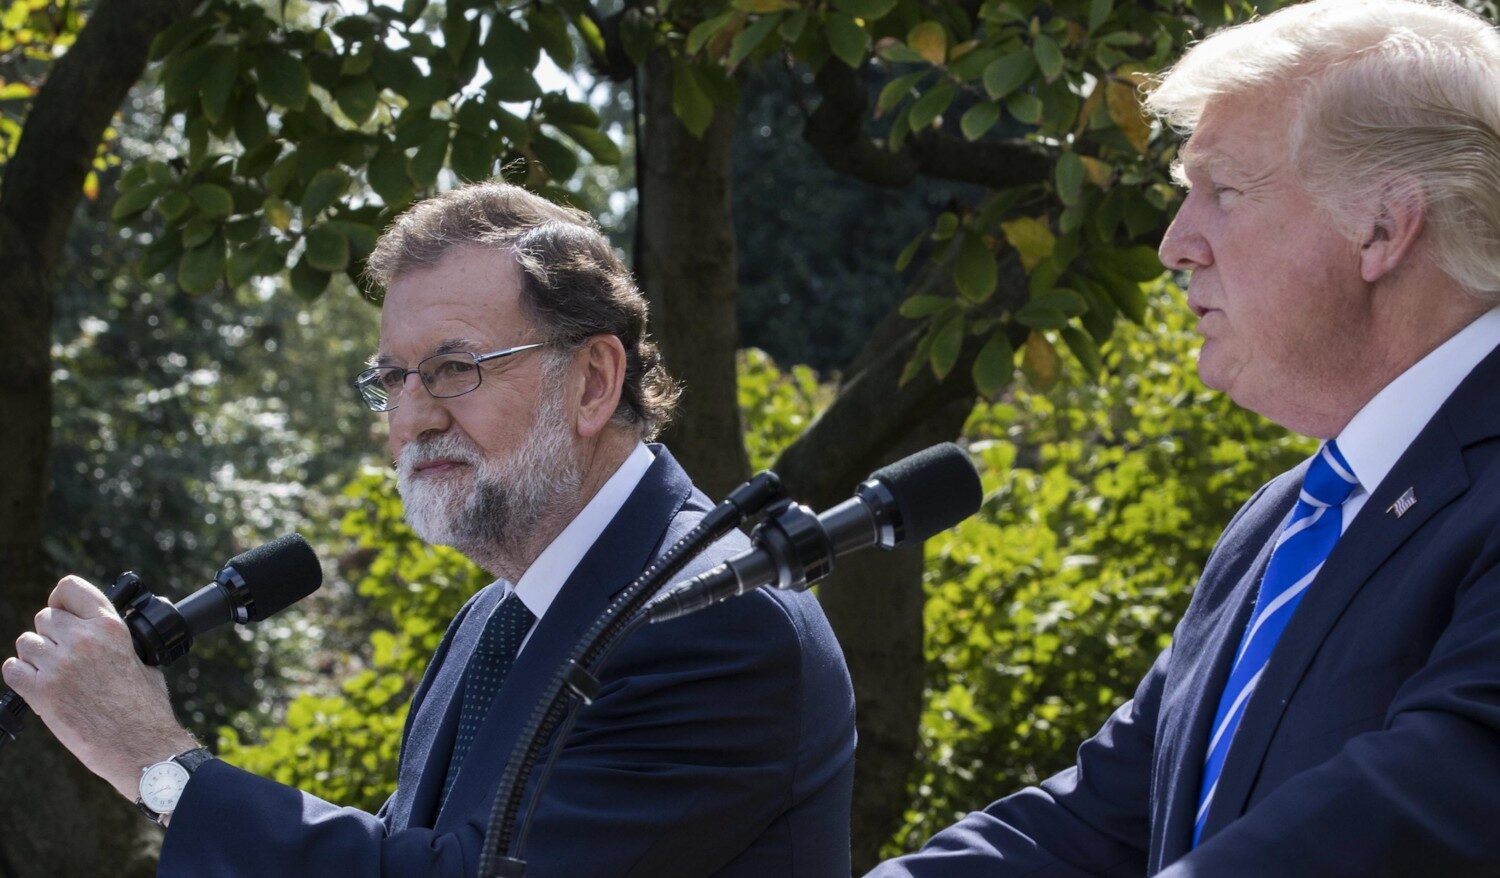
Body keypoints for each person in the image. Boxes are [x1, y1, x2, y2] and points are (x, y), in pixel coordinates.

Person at [3, 181, 856, 876]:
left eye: (454, 367)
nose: (412, 417)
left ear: (594, 382)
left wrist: (160, 765)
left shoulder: (717, 617)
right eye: (392, 380)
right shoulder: (494, 621)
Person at [869, 1, 1500, 875]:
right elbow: (1105, 823)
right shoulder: (1288, 517)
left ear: (1384, 227)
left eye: (1224, 193)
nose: (1175, 245)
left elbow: (1430, 804)